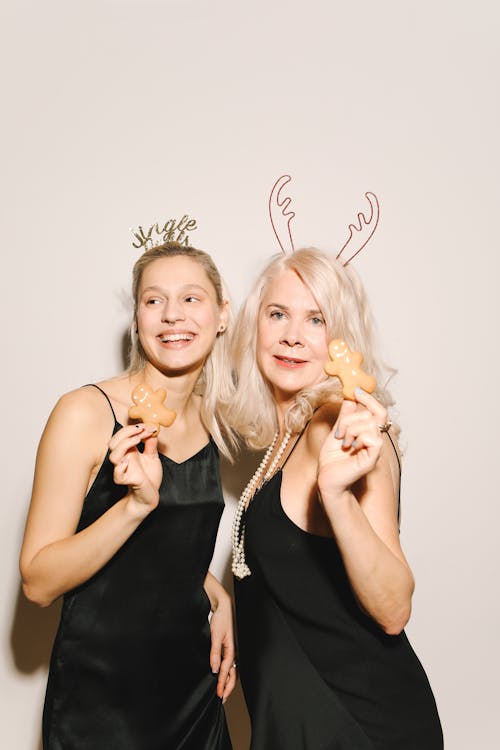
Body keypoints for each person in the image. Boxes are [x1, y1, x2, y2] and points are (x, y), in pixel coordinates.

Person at [20, 241, 237, 750]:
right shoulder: (84, 413)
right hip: (102, 705)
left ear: (222, 315)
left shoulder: (214, 418)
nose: (172, 316)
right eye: (154, 300)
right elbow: (38, 580)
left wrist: (214, 589)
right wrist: (135, 506)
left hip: (193, 694)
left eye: (191, 299)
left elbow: (163, 548)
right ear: (137, 317)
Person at [229, 248, 443, 749]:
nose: (292, 336)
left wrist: (336, 496)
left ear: (341, 339)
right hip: (297, 718)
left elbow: (393, 608)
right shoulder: (285, 436)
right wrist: (220, 602)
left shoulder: (341, 426)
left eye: (316, 319)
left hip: (355, 723)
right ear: (254, 326)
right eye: (277, 314)